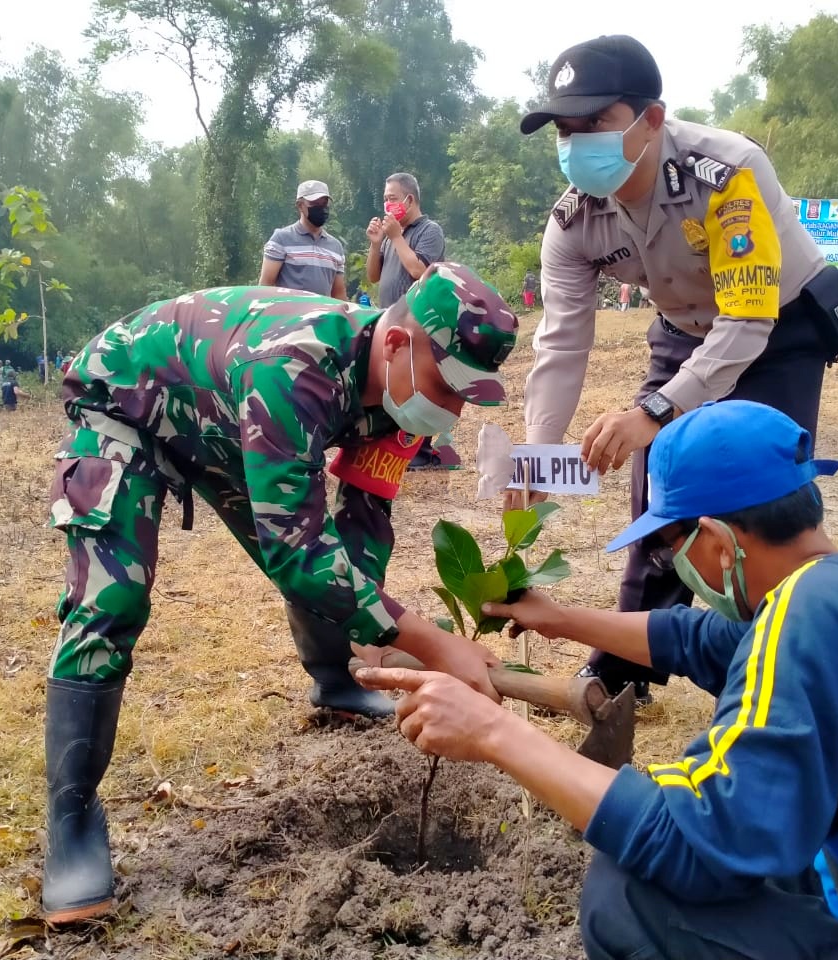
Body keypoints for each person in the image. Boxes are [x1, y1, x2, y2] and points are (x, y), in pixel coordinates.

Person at [357, 400, 838, 960]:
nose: (679, 574)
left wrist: (492, 731)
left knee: (627, 894)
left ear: (720, 542)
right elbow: (710, 641)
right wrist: (561, 619)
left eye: (672, 549)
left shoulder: (806, 617)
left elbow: (697, 845)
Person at [40, 264, 517, 924]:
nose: (454, 409)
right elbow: (296, 553)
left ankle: (336, 680)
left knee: (336, 563)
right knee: (113, 600)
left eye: (469, 394)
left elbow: (366, 516)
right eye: (450, 386)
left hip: (220, 418)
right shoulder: (295, 367)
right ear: (400, 346)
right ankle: (70, 818)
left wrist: (372, 619)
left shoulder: (404, 400)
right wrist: (432, 643)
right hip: (130, 405)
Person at [513, 36, 838, 699]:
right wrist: (536, 455)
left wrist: (654, 411)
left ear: (651, 120)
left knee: (760, 496)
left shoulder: (726, 171)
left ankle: (789, 660)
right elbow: (561, 342)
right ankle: (626, 671)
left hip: (775, 326)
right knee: (661, 500)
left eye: (595, 125)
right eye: (564, 130)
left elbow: (748, 320)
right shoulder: (571, 222)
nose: (575, 144)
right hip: (684, 327)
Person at [365, 172, 458, 471]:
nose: (386, 204)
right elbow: (373, 276)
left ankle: (421, 449)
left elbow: (419, 270)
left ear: (410, 199)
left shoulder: (429, 230)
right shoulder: (394, 236)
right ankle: (390, 444)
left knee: (416, 385)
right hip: (388, 323)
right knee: (391, 385)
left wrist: (395, 236)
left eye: (392, 198)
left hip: (416, 325)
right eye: (384, 199)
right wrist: (377, 244)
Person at [259, 179, 347, 299]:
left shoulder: (336, 247)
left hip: (324, 316)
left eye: (324, 203)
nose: (321, 208)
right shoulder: (281, 239)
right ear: (300, 206)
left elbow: (338, 295)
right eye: (315, 204)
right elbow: (265, 286)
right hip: (291, 316)